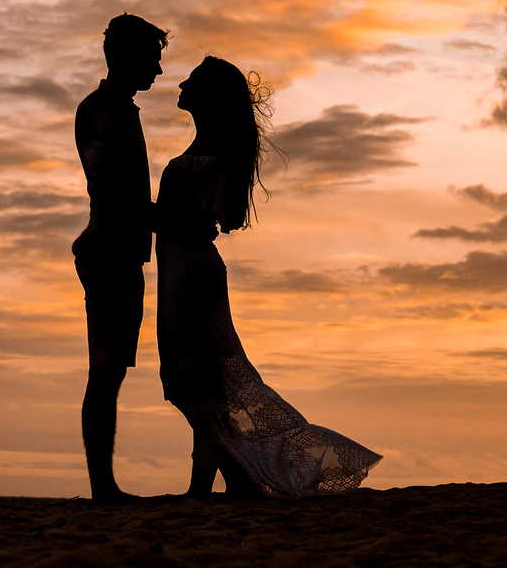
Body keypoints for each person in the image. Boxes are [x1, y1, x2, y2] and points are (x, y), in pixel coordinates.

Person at [156, 56, 382, 498]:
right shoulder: (216, 151)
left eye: (193, 82)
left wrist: (129, 212)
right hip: (188, 272)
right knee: (204, 388)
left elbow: (185, 223)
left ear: (210, 97)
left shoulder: (209, 156)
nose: (181, 84)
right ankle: (229, 481)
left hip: (190, 276)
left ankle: (219, 485)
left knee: (200, 385)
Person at [72, 13, 167, 504]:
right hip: (111, 250)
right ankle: (103, 487)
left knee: (110, 371)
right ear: (128, 56)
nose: (157, 70)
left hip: (119, 249)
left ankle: (104, 486)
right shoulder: (105, 110)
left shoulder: (116, 109)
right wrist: (160, 217)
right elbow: (110, 188)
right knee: (106, 371)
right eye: (153, 58)